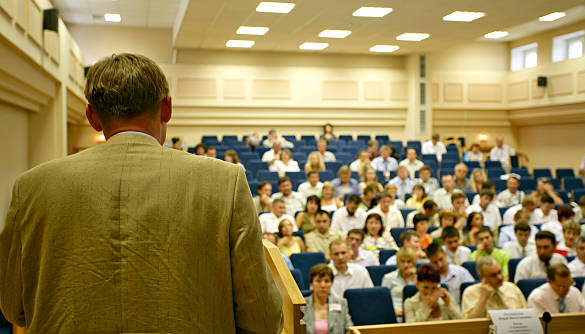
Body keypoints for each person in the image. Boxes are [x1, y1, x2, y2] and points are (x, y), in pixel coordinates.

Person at [0, 54, 283, 332]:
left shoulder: (31, 187)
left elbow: (13, 306)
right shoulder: (226, 181)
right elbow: (262, 318)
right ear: (167, 108)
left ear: (92, 116)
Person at [461, 257, 526, 318]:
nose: (500, 277)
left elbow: (526, 315)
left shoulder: (512, 287)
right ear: (481, 277)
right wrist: (483, 297)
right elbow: (472, 323)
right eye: (493, 275)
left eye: (500, 272)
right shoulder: (470, 292)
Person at [302, 264, 353, 334]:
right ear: (311, 284)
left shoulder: (341, 303)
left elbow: (349, 329)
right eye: (318, 281)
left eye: (326, 281)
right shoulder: (302, 305)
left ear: (331, 283)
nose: (323, 285)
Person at [382, 247, 418, 316]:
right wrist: (393, 312)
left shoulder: (419, 278)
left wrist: (414, 278)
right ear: (398, 263)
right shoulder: (389, 277)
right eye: (402, 261)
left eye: (409, 261)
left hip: (415, 313)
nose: (405, 265)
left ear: (414, 263)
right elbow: (383, 301)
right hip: (395, 313)